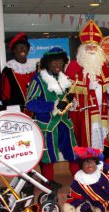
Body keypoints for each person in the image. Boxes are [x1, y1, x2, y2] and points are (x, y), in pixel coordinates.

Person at [26, 47, 79, 180]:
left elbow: (67, 98)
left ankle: (79, 182)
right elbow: (30, 103)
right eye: (54, 62)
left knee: (73, 154)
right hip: (48, 126)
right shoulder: (38, 80)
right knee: (48, 158)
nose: (58, 65)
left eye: (60, 62)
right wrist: (52, 106)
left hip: (65, 124)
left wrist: (72, 103)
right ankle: (49, 185)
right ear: (47, 63)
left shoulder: (65, 79)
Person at [65, 19, 109, 149]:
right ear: (82, 48)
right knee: (87, 140)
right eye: (88, 46)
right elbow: (69, 90)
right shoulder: (74, 66)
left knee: (102, 139)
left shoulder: (104, 66)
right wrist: (86, 87)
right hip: (85, 111)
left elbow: (108, 86)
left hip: (102, 109)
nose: (91, 49)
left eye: (94, 46)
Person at [1, 33, 36, 113]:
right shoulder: (8, 70)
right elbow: (5, 95)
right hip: (17, 112)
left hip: (35, 111)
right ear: (13, 50)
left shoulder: (35, 68)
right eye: (18, 47)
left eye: (24, 47)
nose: (22, 49)